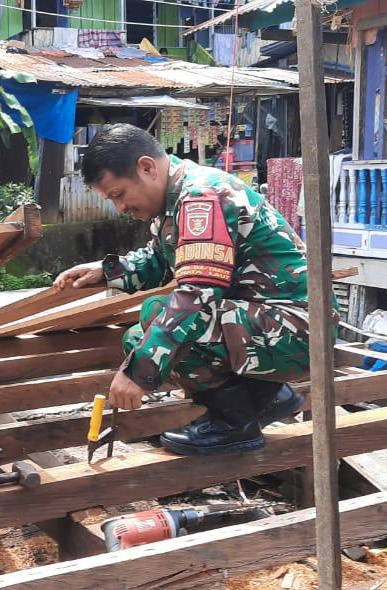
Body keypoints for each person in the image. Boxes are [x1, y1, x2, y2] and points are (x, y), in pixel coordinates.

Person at [54, 123, 313, 456]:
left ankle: (236, 424)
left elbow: (196, 297)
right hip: (270, 326)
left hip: (300, 331)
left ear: (147, 167)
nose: (119, 208)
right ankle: (266, 398)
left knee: (165, 325)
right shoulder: (176, 201)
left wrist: (139, 373)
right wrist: (106, 271)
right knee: (140, 335)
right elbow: (161, 260)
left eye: (118, 194)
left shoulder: (201, 196)